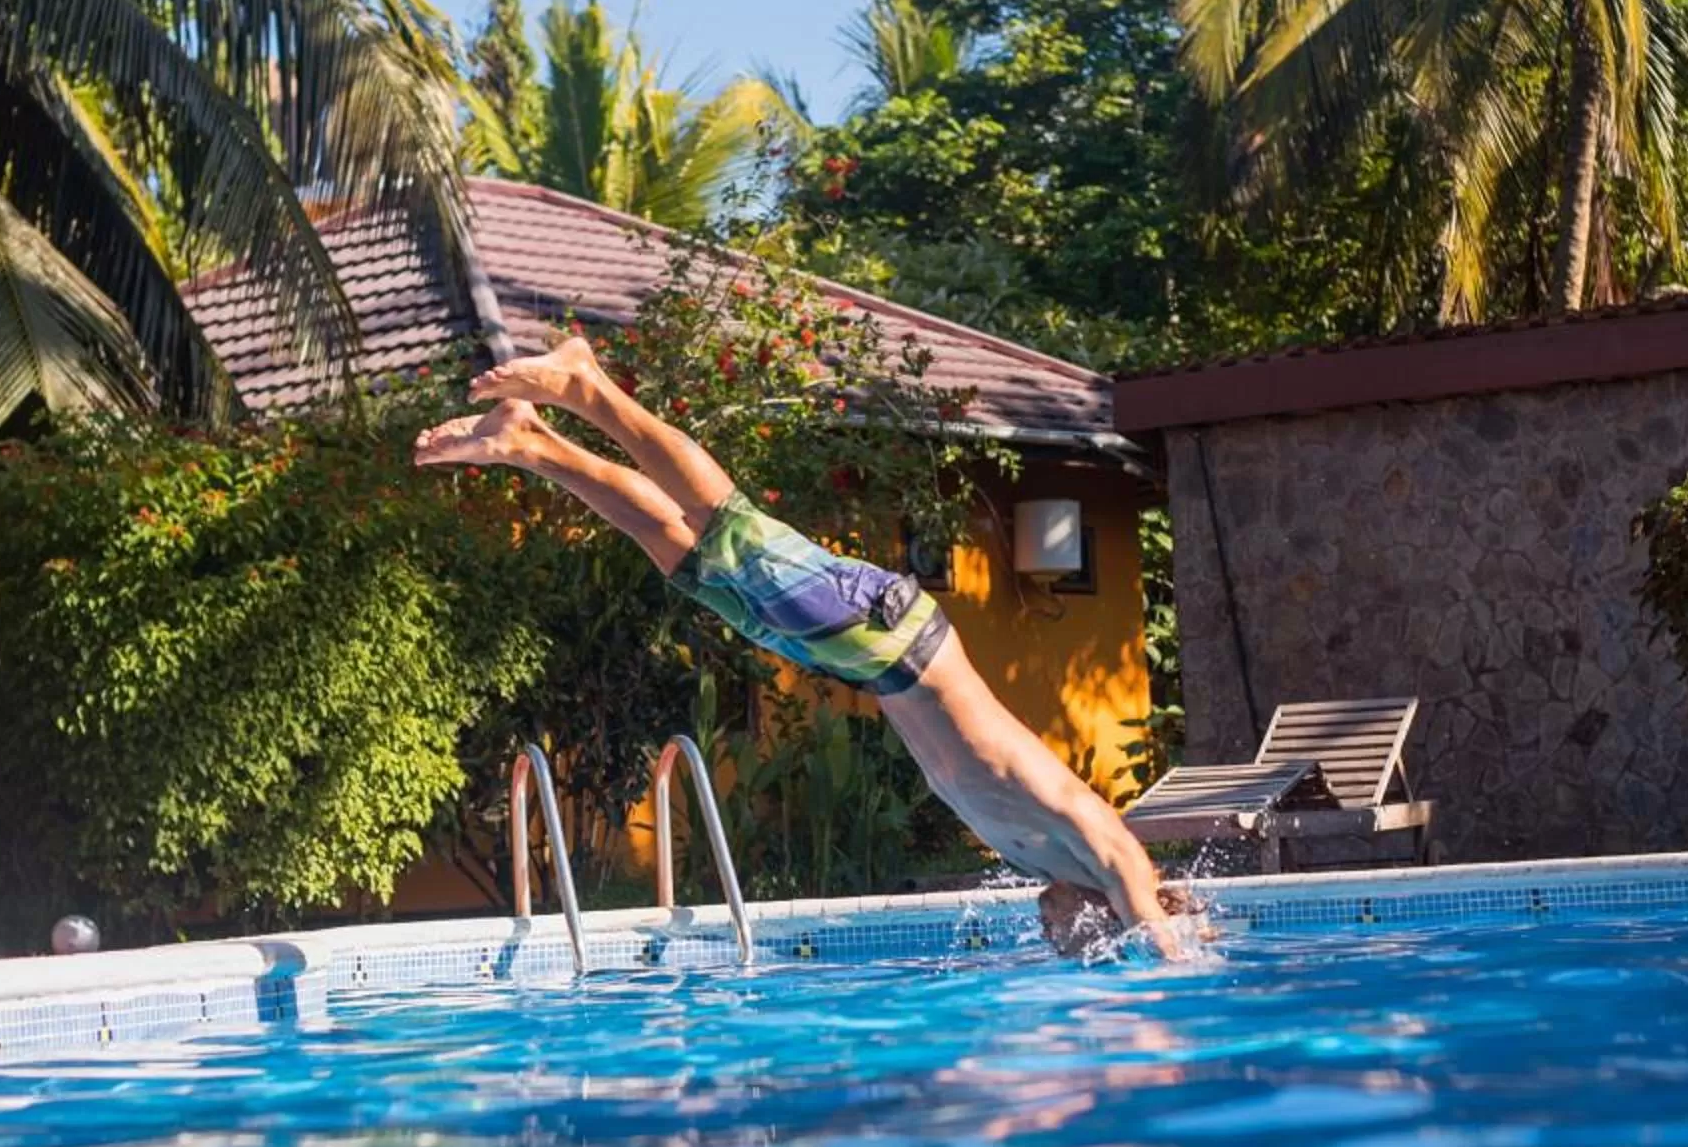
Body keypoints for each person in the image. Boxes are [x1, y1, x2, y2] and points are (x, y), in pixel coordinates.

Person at [413, 336, 1202, 960]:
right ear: (1115, 913)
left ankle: (533, 444)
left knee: (684, 557)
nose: (1054, 939)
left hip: (861, 662)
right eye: (1072, 940)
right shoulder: (1102, 849)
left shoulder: (1046, 864)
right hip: (894, 637)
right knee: (729, 523)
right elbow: (1142, 890)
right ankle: (590, 387)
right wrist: (1173, 963)